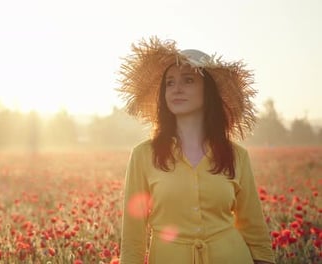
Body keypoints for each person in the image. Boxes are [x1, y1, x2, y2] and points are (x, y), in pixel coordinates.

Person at [117, 37, 275, 264]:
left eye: (188, 80)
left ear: (208, 91)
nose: (176, 89)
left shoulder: (237, 155)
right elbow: (133, 235)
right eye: (169, 83)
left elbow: (254, 227)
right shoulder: (143, 155)